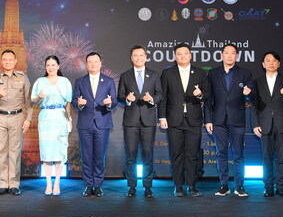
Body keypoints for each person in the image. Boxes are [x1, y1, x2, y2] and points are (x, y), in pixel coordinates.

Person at [159, 43, 210, 197]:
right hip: (174, 120)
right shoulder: (167, 73)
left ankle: (192, 186)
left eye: (185, 53)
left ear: (190, 55)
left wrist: (200, 95)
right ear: (175, 56)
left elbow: (207, 94)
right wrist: (162, 117)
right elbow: (163, 97)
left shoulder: (200, 73)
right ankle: (178, 186)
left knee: (192, 155)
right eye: (179, 54)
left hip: (193, 120)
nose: (182, 56)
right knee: (176, 154)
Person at [205, 44, 254, 197]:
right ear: (222, 55)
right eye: (227, 53)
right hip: (218, 119)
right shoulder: (213, 73)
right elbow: (208, 99)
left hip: (237, 119)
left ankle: (239, 186)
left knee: (238, 154)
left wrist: (248, 93)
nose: (229, 55)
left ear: (236, 56)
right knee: (221, 153)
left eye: (233, 53)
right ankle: (223, 185)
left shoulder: (245, 73)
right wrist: (208, 120)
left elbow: (252, 95)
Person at [117, 45, 162, 198]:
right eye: (135, 55)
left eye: (141, 55)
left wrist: (152, 99)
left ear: (146, 57)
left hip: (148, 121)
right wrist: (127, 99)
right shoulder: (125, 76)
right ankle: (131, 187)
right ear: (131, 58)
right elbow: (119, 97)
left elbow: (160, 95)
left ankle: (148, 187)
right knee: (131, 154)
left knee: (148, 154)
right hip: (130, 121)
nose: (138, 58)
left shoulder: (154, 75)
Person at [0, 49, 32, 196]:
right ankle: (3, 184)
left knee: (14, 152)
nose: (7, 62)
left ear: (15, 61)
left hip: (17, 117)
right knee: (1, 151)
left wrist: (28, 119)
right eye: (5, 59)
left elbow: (28, 101)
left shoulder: (23, 78)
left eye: (10, 60)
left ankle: (13, 184)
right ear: (1, 61)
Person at [71, 52, 117, 197]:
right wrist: (79, 104)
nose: (93, 64)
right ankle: (88, 185)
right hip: (85, 124)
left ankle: (98, 185)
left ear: (100, 63)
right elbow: (74, 101)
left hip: (102, 123)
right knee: (86, 157)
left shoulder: (109, 81)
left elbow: (114, 101)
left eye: (95, 61)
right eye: (90, 61)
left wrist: (109, 104)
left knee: (99, 157)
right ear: (86, 64)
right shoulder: (80, 81)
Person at [252, 51, 283, 197]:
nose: (271, 63)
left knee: (282, 157)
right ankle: (268, 187)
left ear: (279, 63)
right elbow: (254, 105)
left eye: (274, 60)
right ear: (263, 64)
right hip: (265, 124)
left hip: (282, 122)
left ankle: (281, 187)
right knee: (266, 157)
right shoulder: (257, 82)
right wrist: (255, 124)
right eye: (268, 60)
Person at [31, 55, 72, 196]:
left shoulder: (65, 81)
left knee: (59, 152)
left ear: (58, 66)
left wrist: (69, 118)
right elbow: (33, 101)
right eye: (48, 65)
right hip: (46, 117)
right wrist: (39, 97)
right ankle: (48, 184)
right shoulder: (40, 81)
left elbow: (68, 102)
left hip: (60, 117)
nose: (51, 67)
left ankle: (57, 183)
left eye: (53, 65)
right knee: (47, 153)